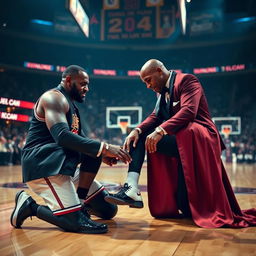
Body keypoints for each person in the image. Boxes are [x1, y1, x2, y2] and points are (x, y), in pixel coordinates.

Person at [105, 59, 256, 228]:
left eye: (148, 80)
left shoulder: (187, 80)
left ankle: (131, 188)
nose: (147, 85)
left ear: (159, 71)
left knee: (146, 137)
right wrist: (137, 130)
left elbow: (189, 111)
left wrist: (160, 130)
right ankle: (131, 188)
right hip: (183, 138)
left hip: (200, 137)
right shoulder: (161, 92)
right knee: (185, 206)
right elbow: (155, 116)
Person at [10, 65, 132, 234]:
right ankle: (30, 206)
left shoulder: (71, 106)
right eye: (83, 84)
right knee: (74, 223)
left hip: (61, 163)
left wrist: (102, 154)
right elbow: (62, 136)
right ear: (68, 80)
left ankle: (79, 204)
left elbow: (84, 142)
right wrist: (105, 147)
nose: (87, 88)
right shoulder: (53, 98)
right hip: (43, 165)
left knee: (108, 210)